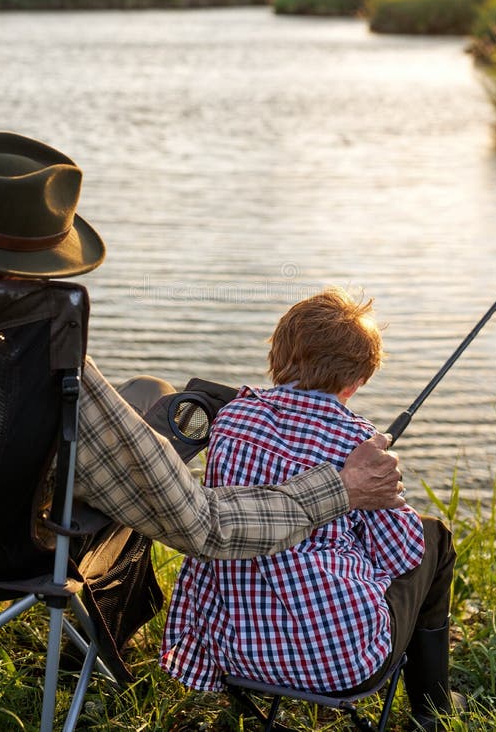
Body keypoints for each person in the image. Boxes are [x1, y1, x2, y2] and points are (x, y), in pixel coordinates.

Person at [0, 130, 404, 564]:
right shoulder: (44, 369)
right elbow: (206, 528)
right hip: (9, 555)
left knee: (149, 393)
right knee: (152, 455)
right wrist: (343, 488)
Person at [160, 290, 460, 731]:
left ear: (276, 355)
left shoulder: (231, 419)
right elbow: (400, 556)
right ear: (356, 381)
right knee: (433, 536)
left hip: (232, 653)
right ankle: (432, 711)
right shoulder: (358, 442)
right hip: (339, 665)